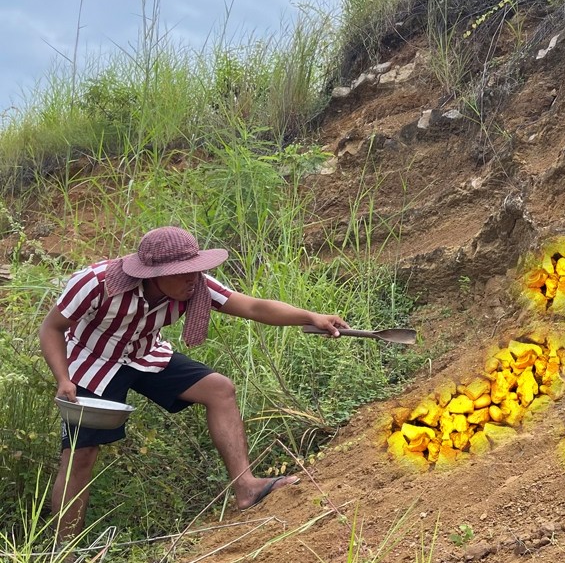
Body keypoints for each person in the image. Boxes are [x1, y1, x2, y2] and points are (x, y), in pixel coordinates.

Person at [38, 226, 348, 539]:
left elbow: (253, 307)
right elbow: (51, 328)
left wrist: (311, 316)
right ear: (152, 274)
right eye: (184, 272)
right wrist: (63, 379)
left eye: (196, 269)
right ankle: (64, 550)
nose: (194, 277)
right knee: (81, 454)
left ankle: (246, 487)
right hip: (91, 362)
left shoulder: (194, 286)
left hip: (145, 354)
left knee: (219, 389)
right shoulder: (95, 283)